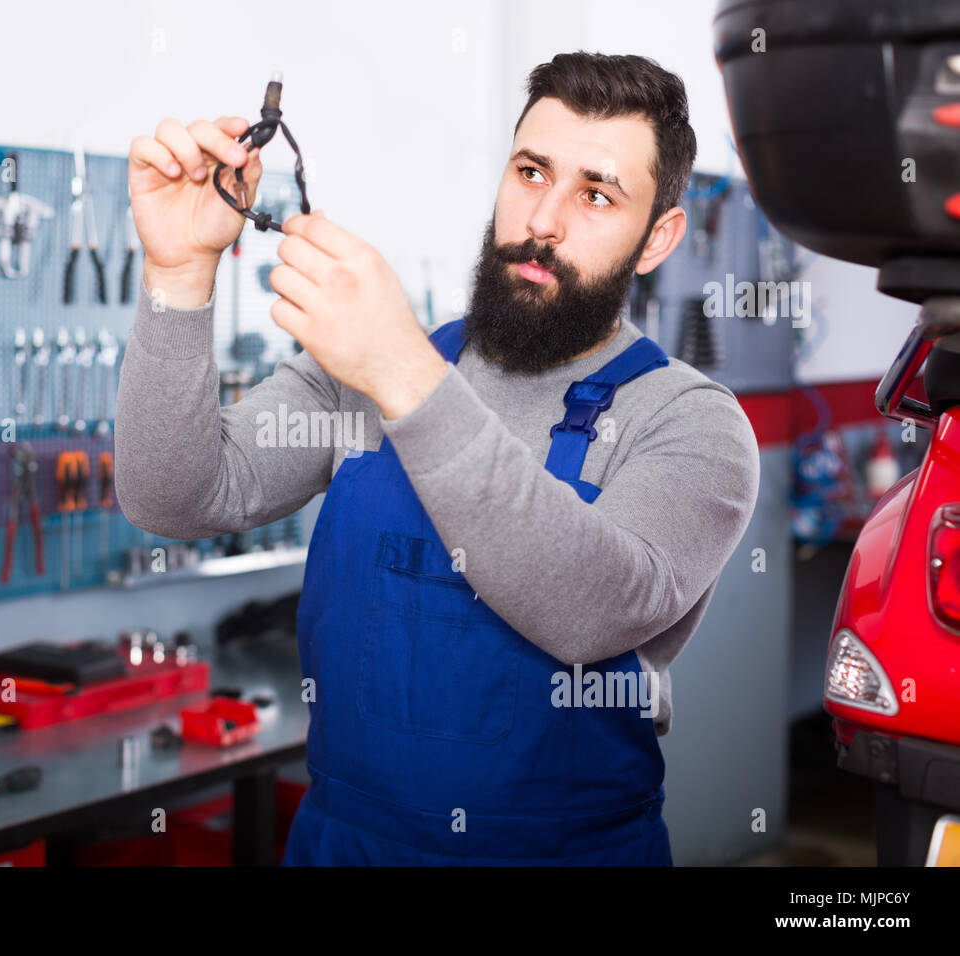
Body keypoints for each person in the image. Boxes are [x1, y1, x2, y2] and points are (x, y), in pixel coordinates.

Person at [117, 52, 761, 865]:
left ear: (658, 237)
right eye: (531, 172)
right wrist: (179, 276)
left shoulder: (689, 423)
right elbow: (172, 498)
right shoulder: (363, 371)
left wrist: (403, 376)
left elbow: (589, 608)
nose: (545, 219)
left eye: (596, 195)